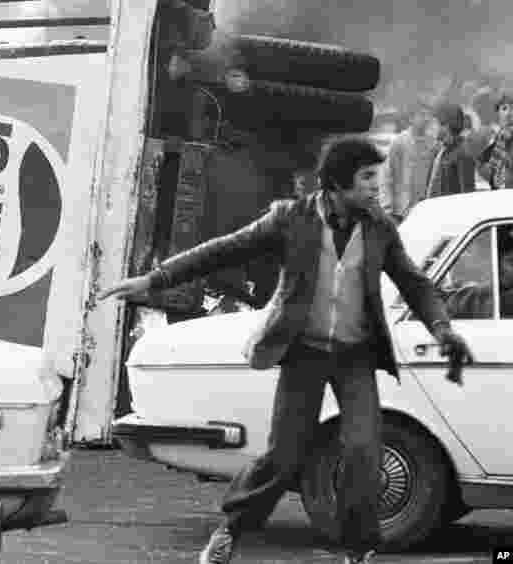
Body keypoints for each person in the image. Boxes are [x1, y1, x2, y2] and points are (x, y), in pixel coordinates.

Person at [97, 135, 473, 564]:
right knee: (283, 456)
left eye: (376, 177)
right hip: (304, 352)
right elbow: (224, 250)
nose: (376, 187)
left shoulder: (379, 227)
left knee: (364, 453)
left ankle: (357, 550)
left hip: (355, 356)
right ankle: (230, 531)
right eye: (367, 177)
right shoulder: (290, 218)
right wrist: (156, 279)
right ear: (337, 184)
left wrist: (442, 328)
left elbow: (415, 283)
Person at [378, 101, 435, 224]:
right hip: (401, 211)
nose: (425, 119)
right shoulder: (399, 142)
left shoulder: (432, 143)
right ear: (411, 118)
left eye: (427, 115)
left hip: (424, 209)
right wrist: (387, 208)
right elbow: (386, 176)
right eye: (421, 115)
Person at [425, 103, 476, 199]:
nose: (431, 127)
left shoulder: (463, 153)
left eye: (435, 123)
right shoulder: (438, 152)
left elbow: (467, 195)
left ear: (446, 125)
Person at [478, 93, 513, 189]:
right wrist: (492, 178)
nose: (509, 113)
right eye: (504, 109)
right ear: (498, 113)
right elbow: (481, 164)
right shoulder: (496, 137)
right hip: (499, 191)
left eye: (512, 109)